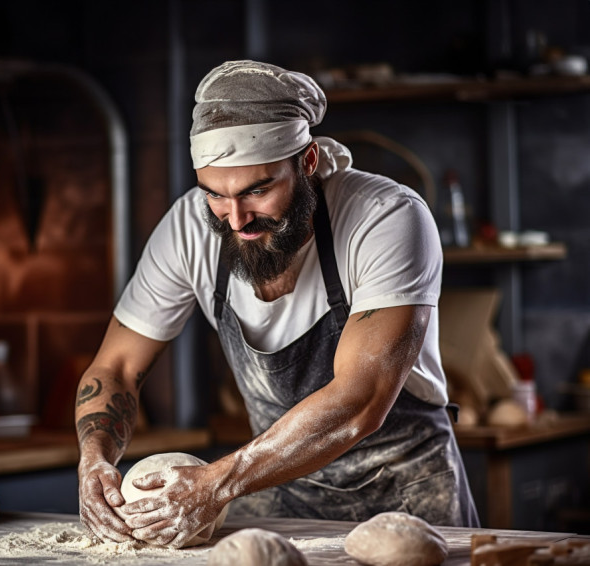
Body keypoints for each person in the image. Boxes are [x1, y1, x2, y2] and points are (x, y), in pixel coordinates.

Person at [75, 59, 479, 548]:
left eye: (257, 190)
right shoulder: (188, 229)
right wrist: (94, 457)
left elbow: (360, 399)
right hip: (273, 484)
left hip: (406, 495)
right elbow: (116, 366)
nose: (237, 219)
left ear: (307, 163)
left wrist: (216, 483)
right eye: (215, 196)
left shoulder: (386, 217)